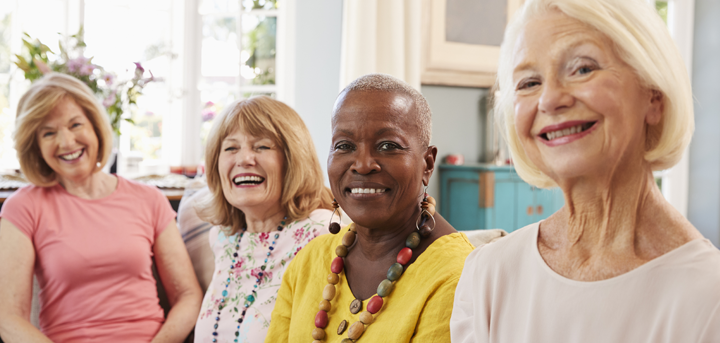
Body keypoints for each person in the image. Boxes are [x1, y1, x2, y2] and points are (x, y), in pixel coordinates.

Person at [450, 0, 720, 342]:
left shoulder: (710, 295)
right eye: (529, 82)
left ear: (653, 95)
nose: (549, 100)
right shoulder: (488, 274)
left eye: (582, 68)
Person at [265, 74, 475, 342]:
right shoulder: (308, 262)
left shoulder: (457, 276)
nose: (363, 164)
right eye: (344, 146)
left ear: (428, 164)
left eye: (388, 146)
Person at [0, 73, 202, 342]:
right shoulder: (23, 208)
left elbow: (188, 296)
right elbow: (8, 318)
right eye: (49, 133)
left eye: (75, 124)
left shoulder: (149, 199)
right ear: (35, 146)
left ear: (95, 126)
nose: (67, 142)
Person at [193, 96, 334, 343]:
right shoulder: (223, 237)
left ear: (292, 160)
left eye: (262, 147)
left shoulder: (322, 233)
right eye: (231, 148)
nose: (244, 159)